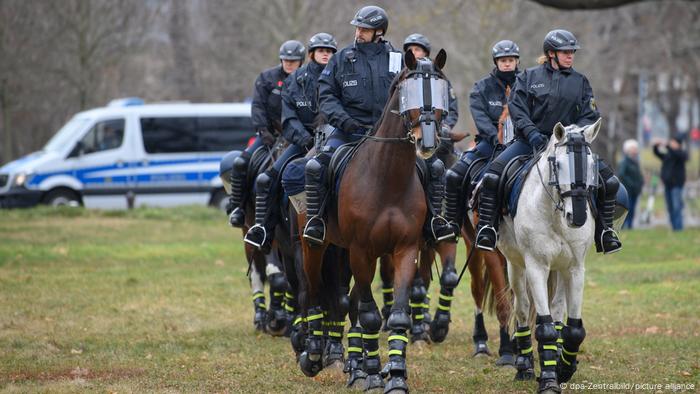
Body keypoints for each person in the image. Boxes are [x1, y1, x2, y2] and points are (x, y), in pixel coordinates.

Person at [474, 29, 622, 254]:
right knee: (493, 175)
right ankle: (488, 228)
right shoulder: (528, 77)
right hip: (530, 141)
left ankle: (605, 232)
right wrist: (532, 133)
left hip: (569, 145)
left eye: (572, 51)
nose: (570, 55)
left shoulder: (581, 82)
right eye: (565, 52)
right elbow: (517, 109)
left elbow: (590, 114)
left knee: (609, 182)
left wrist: (574, 134)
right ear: (551, 53)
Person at [244, 33, 338, 249]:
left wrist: (327, 126)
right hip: (301, 141)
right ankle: (263, 231)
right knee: (266, 179)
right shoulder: (296, 79)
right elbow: (288, 117)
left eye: (329, 51)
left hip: (332, 140)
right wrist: (303, 138)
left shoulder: (339, 77)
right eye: (321, 50)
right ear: (312, 54)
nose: (325, 54)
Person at [442, 39, 521, 240]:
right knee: (453, 176)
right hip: (490, 143)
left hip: (522, 144)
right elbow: (481, 119)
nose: (507, 64)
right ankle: (452, 224)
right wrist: (496, 138)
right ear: (496, 62)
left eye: (510, 60)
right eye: (503, 60)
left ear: (516, 62)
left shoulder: (527, 84)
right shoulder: (481, 87)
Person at [227, 40, 305, 227]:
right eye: (286, 60)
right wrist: (263, 131)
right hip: (270, 135)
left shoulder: (307, 80)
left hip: (297, 135)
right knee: (241, 162)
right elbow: (258, 106)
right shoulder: (267, 78)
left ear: (301, 62)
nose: (289, 64)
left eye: (293, 61)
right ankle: (238, 207)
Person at [403, 33, 461, 167]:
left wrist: (445, 125)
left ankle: (441, 181)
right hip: (408, 129)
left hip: (433, 128)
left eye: (417, 49)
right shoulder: (402, 78)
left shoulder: (439, 79)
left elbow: (451, 108)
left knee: (444, 151)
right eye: (410, 50)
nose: (414, 53)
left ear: (426, 53)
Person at [653, 134, 688, 231]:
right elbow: (658, 153)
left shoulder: (682, 153)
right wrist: (656, 146)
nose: (671, 144)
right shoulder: (668, 155)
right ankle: (674, 227)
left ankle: (679, 228)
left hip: (677, 185)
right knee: (670, 207)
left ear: (679, 144)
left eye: (674, 142)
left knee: (677, 207)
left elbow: (680, 155)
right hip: (667, 184)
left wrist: (667, 145)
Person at [617, 139, 644, 229]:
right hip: (628, 189)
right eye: (633, 148)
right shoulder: (624, 161)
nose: (635, 150)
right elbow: (622, 174)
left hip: (635, 190)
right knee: (627, 209)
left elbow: (638, 175)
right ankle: (624, 226)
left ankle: (630, 226)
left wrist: (640, 183)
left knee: (633, 209)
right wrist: (631, 183)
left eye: (636, 148)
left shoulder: (636, 161)